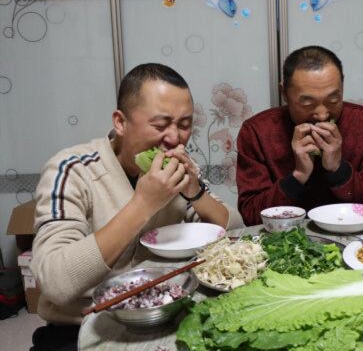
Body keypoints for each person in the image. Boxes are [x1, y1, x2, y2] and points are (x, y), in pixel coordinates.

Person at [29, 63, 243, 350]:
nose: (174, 138)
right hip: (85, 325)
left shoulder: (175, 167)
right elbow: (56, 283)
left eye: (184, 124)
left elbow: (235, 229)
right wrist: (143, 204)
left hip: (167, 314)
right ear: (120, 122)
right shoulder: (71, 170)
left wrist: (196, 192)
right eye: (160, 124)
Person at [236, 46, 363, 226]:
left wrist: (338, 170)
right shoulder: (257, 132)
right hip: (283, 242)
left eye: (333, 100)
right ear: (284, 93)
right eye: (308, 103)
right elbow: (251, 215)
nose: (322, 114)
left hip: (351, 236)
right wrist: (298, 176)